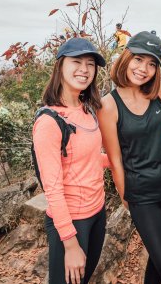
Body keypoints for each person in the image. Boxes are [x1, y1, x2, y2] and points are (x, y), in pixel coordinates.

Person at [99, 31, 161, 284]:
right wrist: (125, 195)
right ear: (126, 58)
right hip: (142, 193)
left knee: (160, 260)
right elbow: (115, 159)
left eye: (152, 63)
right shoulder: (108, 105)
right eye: (138, 60)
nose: (144, 69)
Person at [32, 37, 107, 284]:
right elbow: (51, 187)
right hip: (72, 221)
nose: (84, 70)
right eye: (77, 62)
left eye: (90, 64)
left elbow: (89, 159)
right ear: (60, 66)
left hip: (97, 211)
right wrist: (71, 244)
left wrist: (121, 161)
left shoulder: (87, 109)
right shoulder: (49, 122)